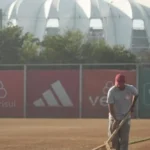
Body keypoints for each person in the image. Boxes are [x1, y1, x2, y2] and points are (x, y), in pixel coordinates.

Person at [106, 74, 138, 150]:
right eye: (118, 83)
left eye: (121, 83)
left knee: (124, 140)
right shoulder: (111, 91)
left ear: (124, 82)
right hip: (114, 117)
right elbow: (110, 107)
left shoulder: (130, 88)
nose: (119, 85)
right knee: (114, 140)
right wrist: (115, 120)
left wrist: (132, 105)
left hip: (125, 117)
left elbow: (136, 94)